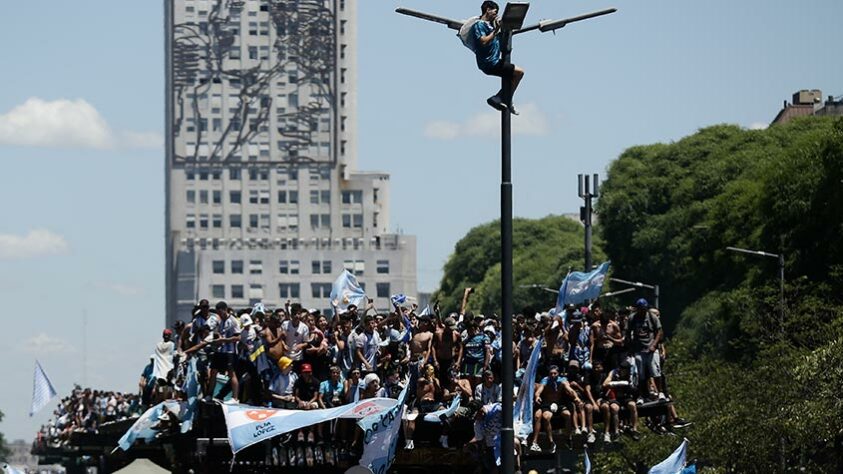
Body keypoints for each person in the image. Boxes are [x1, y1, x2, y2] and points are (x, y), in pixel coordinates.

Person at [626, 299, 664, 403]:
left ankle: (660, 392)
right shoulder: (632, 318)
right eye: (641, 309)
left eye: (644, 309)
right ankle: (641, 395)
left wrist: (654, 345)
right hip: (639, 349)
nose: (643, 311)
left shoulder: (652, 317)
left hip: (651, 348)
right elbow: (628, 332)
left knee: (655, 371)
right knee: (640, 374)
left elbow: (659, 331)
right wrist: (631, 347)